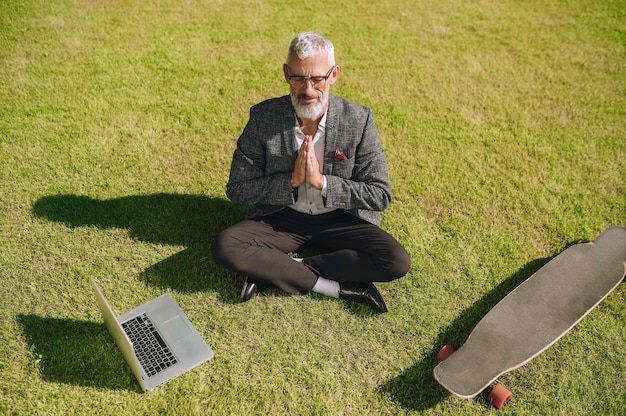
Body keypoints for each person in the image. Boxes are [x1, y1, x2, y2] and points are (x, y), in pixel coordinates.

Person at [211, 32, 410, 313]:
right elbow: (238, 188)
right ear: (285, 73)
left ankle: (273, 268)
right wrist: (290, 182)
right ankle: (336, 288)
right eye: (298, 78)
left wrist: (322, 182)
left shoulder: (359, 119)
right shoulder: (263, 117)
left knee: (396, 261)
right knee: (225, 245)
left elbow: (380, 195)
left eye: (317, 78)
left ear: (334, 75)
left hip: (341, 218)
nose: (308, 89)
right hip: (282, 218)